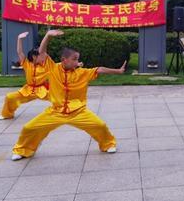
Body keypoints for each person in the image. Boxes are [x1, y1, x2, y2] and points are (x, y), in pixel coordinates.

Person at [11, 30, 125, 160]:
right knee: (29, 128)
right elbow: (42, 52)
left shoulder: (81, 73)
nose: (77, 62)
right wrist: (47, 36)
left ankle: (108, 144)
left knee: (100, 125)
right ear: (63, 60)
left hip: (78, 111)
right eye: (74, 59)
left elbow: (99, 69)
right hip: (55, 112)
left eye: (78, 59)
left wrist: (118, 71)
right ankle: (22, 150)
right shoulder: (52, 69)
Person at [0, 31, 49, 120]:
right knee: (10, 97)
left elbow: (59, 66)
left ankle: (68, 112)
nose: (43, 57)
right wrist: (19, 39)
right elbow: (20, 52)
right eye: (41, 55)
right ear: (34, 57)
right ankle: (7, 114)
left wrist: (75, 65)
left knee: (61, 95)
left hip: (43, 89)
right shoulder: (26, 63)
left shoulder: (46, 65)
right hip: (28, 90)